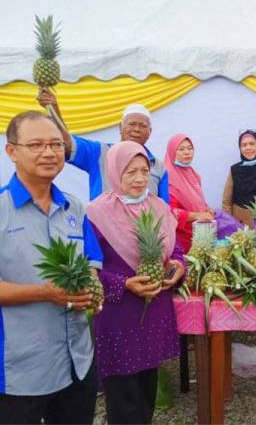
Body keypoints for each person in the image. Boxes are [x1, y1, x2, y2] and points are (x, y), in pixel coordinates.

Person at [0, 111, 102, 424]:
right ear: (12, 151)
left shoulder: (74, 207)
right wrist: (44, 292)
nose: (49, 152)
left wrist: (92, 289)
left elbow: (91, 263)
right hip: (20, 370)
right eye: (36, 145)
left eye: (56, 144)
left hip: (77, 362)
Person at [86, 141, 185, 425]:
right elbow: (88, 269)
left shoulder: (159, 207)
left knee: (146, 391)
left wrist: (178, 267)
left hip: (154, 312)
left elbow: (175, 252)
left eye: (144, 171)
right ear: (115, 172)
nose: (140, 179)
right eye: (130, 172)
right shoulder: (96, 214)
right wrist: (125, 283)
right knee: (123, 397)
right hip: (119, 316)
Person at [38, 90, 169, 202]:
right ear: (120, 127)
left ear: (149, 132)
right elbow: (66, 142)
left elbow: (164, 209)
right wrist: (54, 109)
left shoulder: (158, 167)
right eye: (131, 124)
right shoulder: (100, 152)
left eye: (143, 126)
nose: (136, 129)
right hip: (101, 231)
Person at [164, 134, 214, 252]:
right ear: (172, 151)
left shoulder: (192, 173)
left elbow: (196, 199)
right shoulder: (167, 178)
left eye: (190, 148)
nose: (187, 152)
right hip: (183, 239)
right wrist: (198, 215)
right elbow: (170, 211)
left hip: (201, 233)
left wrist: (206, 208)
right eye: (181, 149)